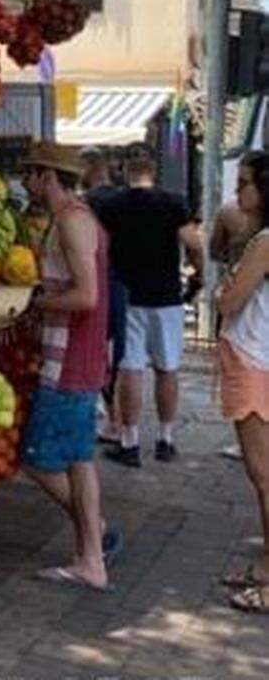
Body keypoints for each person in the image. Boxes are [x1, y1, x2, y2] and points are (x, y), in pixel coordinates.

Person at [19, 142, 114, 590]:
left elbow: (87, 296)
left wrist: (39, 304)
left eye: (31, 174)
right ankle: (92, 556)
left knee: (37, 459)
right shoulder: (74, 217)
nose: (26, 182)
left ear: (49, 177)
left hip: (69, 360)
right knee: (79, 460)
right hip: (80, 358)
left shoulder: (73, 222)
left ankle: (95, 539)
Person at [98, 149, 200, 466]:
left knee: (131, 369)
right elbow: (194, 244)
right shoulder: (174, 204)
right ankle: (166, 439)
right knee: (167, 368)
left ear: (126, 172)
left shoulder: (112, 206)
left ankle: (129, 442)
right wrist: (198, 278)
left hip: (128, 297)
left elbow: (99, 248)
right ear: (153, 173)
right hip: (167, 298)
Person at [215, 151, 269, 615]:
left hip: (254, 358)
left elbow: (230, 299)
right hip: (257, 356)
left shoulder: (266, 241)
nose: (238, 192)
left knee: (263, 473)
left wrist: (221, 291)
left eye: (245, 183)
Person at [82, 150, 126, 447]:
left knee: (101, 349)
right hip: (123, 283)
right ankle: (118, 420)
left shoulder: (89, 204)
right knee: (117, 351)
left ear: (89, 168)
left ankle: (113, 419)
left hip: (101, 281)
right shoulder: (123, 198)